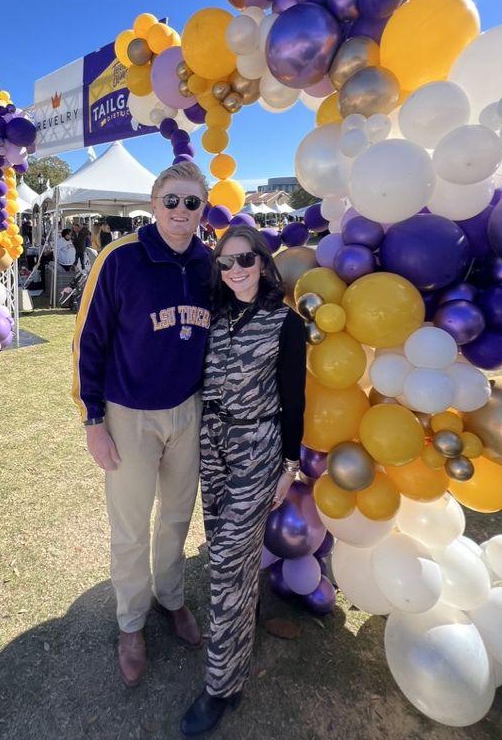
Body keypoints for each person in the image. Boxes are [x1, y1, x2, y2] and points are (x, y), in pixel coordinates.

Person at [72, 161, 212, 688]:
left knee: (177, 515)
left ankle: (171, 598)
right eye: (171, 201)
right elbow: (88, 339)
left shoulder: (209, 263)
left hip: (188, 409)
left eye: (191, 202)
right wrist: (92, 418)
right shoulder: (120, 257)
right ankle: (130, 622)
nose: (180, 212)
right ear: (153, 205)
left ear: (203, 208)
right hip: (129, 411)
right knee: (130, 526)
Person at [180, 224, 306, 736]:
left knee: (229, 560)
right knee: (222, 548)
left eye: (244, 261)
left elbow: (295, 399)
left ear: (262, 262)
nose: (235, 271)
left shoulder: (286, 324)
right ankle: (242, 617)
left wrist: (289, 465)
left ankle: (221, 685)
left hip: (258, 448)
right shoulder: (215, 316)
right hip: (211, 444)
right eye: (225, 263)